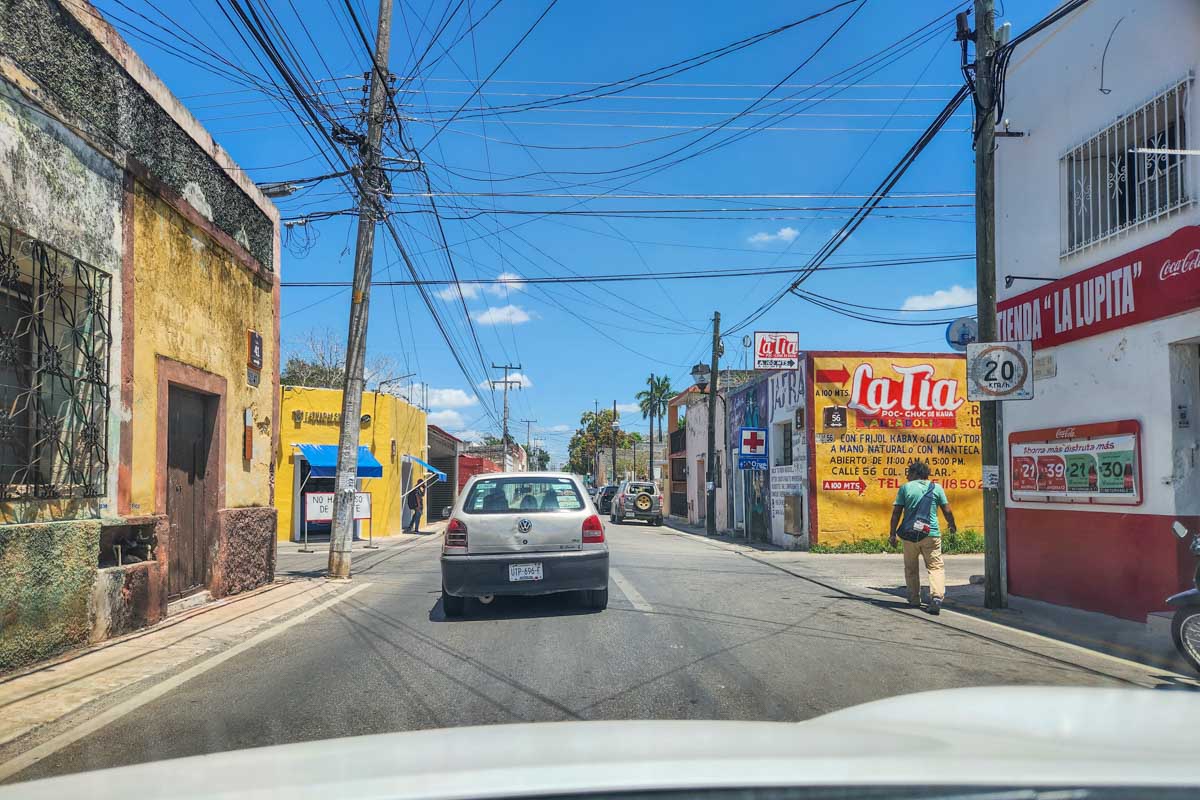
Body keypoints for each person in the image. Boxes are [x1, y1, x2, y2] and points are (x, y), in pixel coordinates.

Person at [888, 460, 956, 615]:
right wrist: (952, 525)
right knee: (935, 566)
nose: (907, 476)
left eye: (908, 473)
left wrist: (892, 534)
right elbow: (947, 510)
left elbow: (896, 513)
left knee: (911, 567)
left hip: (909, 534)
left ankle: (914, 598)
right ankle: (937, 597)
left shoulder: (905, 488)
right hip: (931, 534)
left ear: (915, 473)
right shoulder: (937, 488)